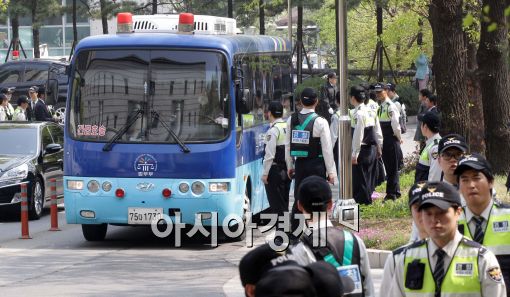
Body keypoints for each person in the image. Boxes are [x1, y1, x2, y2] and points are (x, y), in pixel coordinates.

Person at [388, 181, 507, 297]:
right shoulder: (406, 258)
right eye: (428, 213)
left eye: (441, 212)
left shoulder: (481, 258)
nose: (434, 219)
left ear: (458, 212)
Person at [292, 176, 374, 297]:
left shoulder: (300, 251)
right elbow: (368, 289)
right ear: (330, 204)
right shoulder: (355, 241)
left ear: (299, 206)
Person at [455, 153, 510, 296]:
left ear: (490, 181)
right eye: (464, 180)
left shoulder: (508, 216)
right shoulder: (450, 221)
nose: (471, 185)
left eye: (476, 178)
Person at [285, 87, 337, 239]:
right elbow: (327, 149)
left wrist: (290, 166)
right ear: (317, 102)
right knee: (317, 197)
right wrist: (331, 172)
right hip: (317, 165)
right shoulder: (321, 122)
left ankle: (296, 234)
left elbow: (288, 146)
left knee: (299, 198)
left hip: (300, 165)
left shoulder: (291, 119)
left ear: (300, 101)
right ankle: (317, 232)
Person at [381, 182, 429, 296]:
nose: (424, 214)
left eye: (428, 206)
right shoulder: (397, 258)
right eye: (418, 208)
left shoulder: (463, 254)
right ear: (410, 211)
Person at [350, 86, 382, 205]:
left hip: (362, 150)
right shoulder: (371, 111)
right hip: (372, 148)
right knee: (369, 177)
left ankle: (363, 204)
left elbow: (358, 134)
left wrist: (355, 153)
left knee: (360, 179)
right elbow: (377, 130)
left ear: (353, 98)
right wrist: (379, 146)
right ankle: (368, 201)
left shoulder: (358, 113)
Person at [262, 101, 291, 221]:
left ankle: (281, 236)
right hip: (286, 170)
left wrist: (265, 173)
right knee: (284, 203)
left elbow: (269, 155)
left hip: (275, 172)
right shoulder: (287, 127)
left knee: (277, 206)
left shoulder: (273, 130)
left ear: (269, 114)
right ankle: (285, 233)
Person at [375, 82, 403, 201]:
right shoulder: (381, 106)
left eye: (380, 91)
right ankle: (393, 191)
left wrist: (399, 137)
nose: (377, 94)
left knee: (392, 167)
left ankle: (392, 193)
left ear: (386, 90)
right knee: (389, 166)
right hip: (385, 139)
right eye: (376, 92)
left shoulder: (391, 106)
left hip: (391, 138)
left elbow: (396, 125)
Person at [415, 111, 442, 182]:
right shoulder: (431, 143)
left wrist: (430, 192)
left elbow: (435, 175)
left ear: (425, 127)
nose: (420, 127)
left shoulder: (436, 147)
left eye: (421, 124)